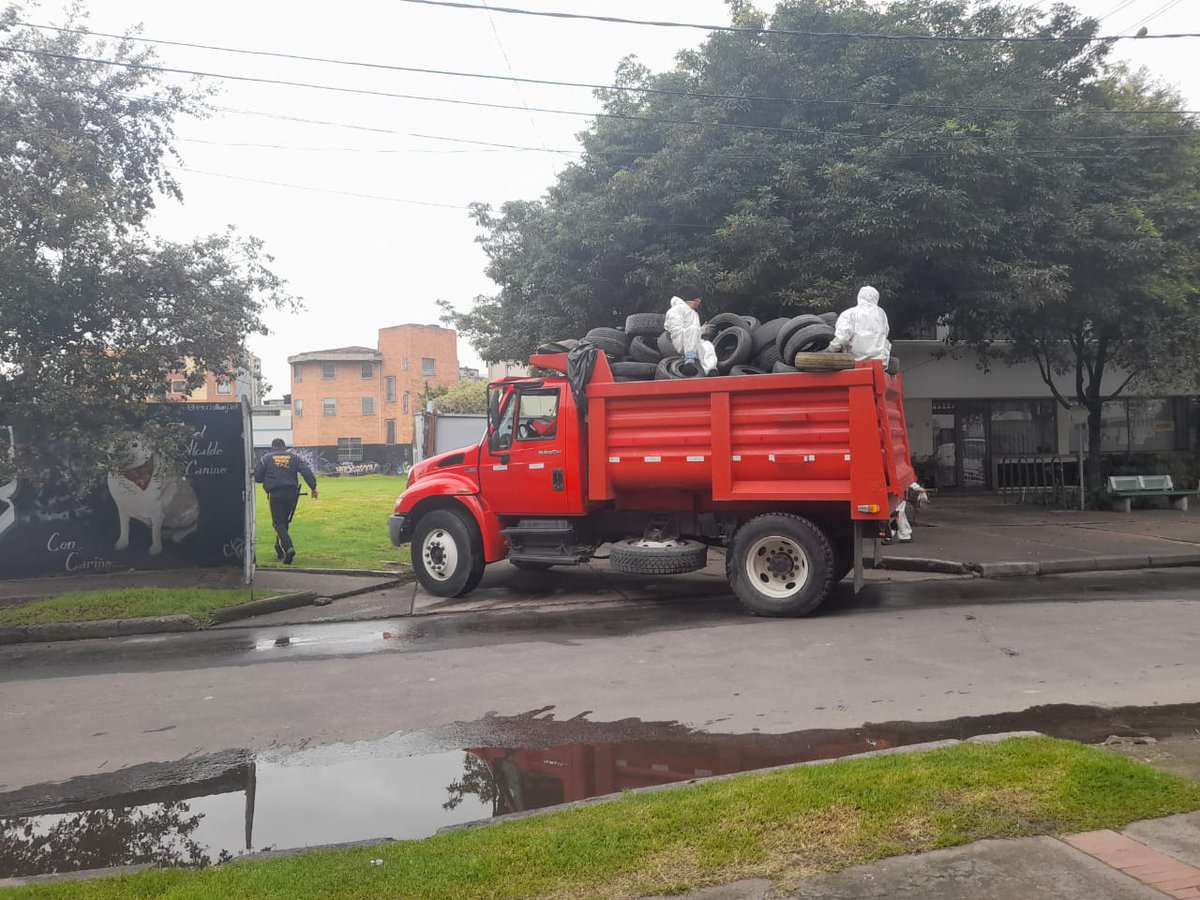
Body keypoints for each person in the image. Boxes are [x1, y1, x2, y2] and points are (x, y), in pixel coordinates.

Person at [254, 438, 318, 564]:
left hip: (275, 493)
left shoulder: (266, 458)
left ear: (273, 447)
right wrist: (313, 487)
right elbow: (306, 471)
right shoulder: (294, 457)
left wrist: (266, 478)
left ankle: (289, 548)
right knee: (284, 522)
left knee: (278, 523)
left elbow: (257, 477)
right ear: (284, 447)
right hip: (291, 493)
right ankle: (279, 548)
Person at [664, 284, 719, 376]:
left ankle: (710, 370)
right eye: (697, 299)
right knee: (693, 329)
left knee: (707, 345)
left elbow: (695, 332)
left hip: (693, 342)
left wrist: (701, 330)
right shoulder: (675, 310)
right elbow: (676, 330)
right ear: (690, 298)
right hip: (681, 341)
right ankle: (689, 361)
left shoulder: (694, 313)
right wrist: (699, 330)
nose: (699, 301)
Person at [829, 285, 891, 365]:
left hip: (854, 363)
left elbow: (842, 338)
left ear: (859, 297)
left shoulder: (850, 313)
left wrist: (830, 349)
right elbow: (885, 333)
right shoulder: (881, 314)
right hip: (879, 363)